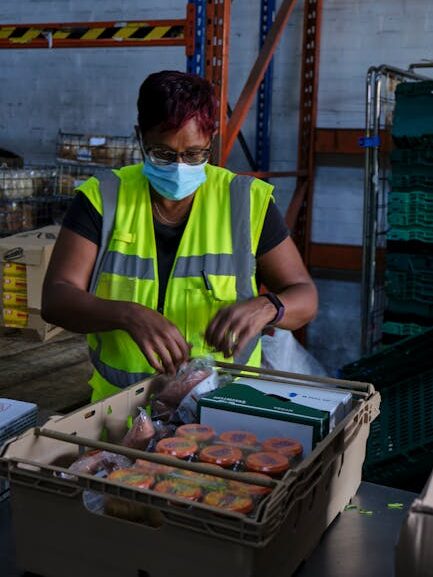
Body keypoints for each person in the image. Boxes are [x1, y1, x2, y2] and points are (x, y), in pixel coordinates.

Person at [42, 70, 318, 402]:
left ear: (211, 139)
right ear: (140, 137)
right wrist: (127, 314)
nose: (178, 167)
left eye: (194, 154)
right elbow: (56, 299)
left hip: (221, 412)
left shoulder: (245, 203)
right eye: (163, 153)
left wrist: (268, 306)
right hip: (120, 415)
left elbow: (304, 295)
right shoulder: (103, 199)